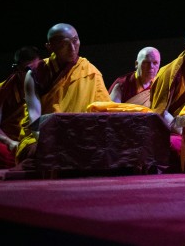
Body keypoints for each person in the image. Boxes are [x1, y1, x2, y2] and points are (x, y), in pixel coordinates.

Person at [15, 23, 112, 165]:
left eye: (75, 41)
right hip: (46, 135)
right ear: (50, 47)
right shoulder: (36, 73)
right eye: (64, 44)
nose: (72, 48)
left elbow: (104, 111)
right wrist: (46, 141)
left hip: (81, 136)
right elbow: (34, 115)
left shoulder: (90, 71)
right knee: (40, 154)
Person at [0, 46, 41, 169]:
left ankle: (29, 160)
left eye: (35, 68)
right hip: (11, 143)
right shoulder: (1, 92)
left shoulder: (45, 84)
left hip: (32, 139)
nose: (31, 73)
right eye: (26, 69)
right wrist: (10, 143)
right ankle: (29, 161)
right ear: (16, 69)